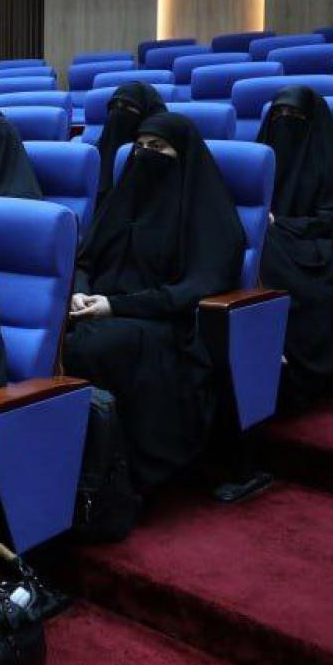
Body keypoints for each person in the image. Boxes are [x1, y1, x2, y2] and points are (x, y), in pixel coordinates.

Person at [62, 112, 244, 494]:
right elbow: (83, 260)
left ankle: (116, 472)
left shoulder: (206, 213)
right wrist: (78, 290)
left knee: (90, 347)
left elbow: (194, 289)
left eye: (158, 148)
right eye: (140, 147)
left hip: (165, 324)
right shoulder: (122, 200)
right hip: (98, 308)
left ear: (182, 155)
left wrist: (116, 306)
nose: (146, 155)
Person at [256, 85, 333, 401]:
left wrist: (284, 224)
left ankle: (285, 349)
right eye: (278, 114)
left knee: (265, 246)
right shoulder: (262, 159)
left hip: (319, 247)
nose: (284, 120)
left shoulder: (331, 163)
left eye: (294, 115)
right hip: (275, 238)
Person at [95, 81, 165, 196]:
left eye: (128, 107)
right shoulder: (94, 154)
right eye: (115, 106)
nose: (118, 112)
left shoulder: (164, 156)